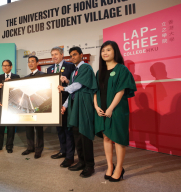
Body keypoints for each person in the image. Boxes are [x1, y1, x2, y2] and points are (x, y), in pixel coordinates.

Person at [94, 41, 136, 182]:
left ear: (115, 52)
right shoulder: (99, 72)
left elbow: (121, 90)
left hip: (117, 110)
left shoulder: (122, 69)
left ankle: (119, 168)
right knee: (106, 138)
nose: (105, 53)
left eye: (108, 50)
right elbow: (95, 91)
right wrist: (96, 106)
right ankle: (109, 166)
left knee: (118, 140)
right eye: (103, 51)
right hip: (102, 110)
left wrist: (111, 108)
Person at [59, 47, 97, 178]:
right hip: (75, 106)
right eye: (71, 55)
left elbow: (78, 85)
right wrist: (64, 106)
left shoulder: (85, 68)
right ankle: (81, 162)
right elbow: (72, 92)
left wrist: (63, 88)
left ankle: (90, 165)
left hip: (84, 105)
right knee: (77, 135)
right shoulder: (74, 71)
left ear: (81, 55)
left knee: (85, 135)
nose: (72, 57)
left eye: (75, 55)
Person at [47, 47, 75, 168]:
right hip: (54, 102)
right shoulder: (50, 69)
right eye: (52, 54)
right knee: (59, 129)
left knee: (68, 130)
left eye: (56, 54)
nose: (54, 56)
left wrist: (67, 81)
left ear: (62, 55)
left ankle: (70, 157)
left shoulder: (70, 66)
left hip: (67, 102)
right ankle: (63, 151)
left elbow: (75, 84)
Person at [0, 60, 20, 154]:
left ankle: (9, 146)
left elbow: (19, 91)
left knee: (11, 127)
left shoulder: (16, 77)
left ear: (11, 67)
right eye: (3, 65)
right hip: (1, 105)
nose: (5, 67)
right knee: (0, 127)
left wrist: (11, 83)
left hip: (12, 106)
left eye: (7, 65)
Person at [21, 55, 45, 159]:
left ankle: (38, 150)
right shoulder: (25, 78)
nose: (30, 63)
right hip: (28, 105)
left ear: (37, 63)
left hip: (38, 105)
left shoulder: (43, 75)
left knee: (38, 128)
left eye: (32, 61)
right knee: (28, 128)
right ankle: (30, 147)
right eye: (29, 62)